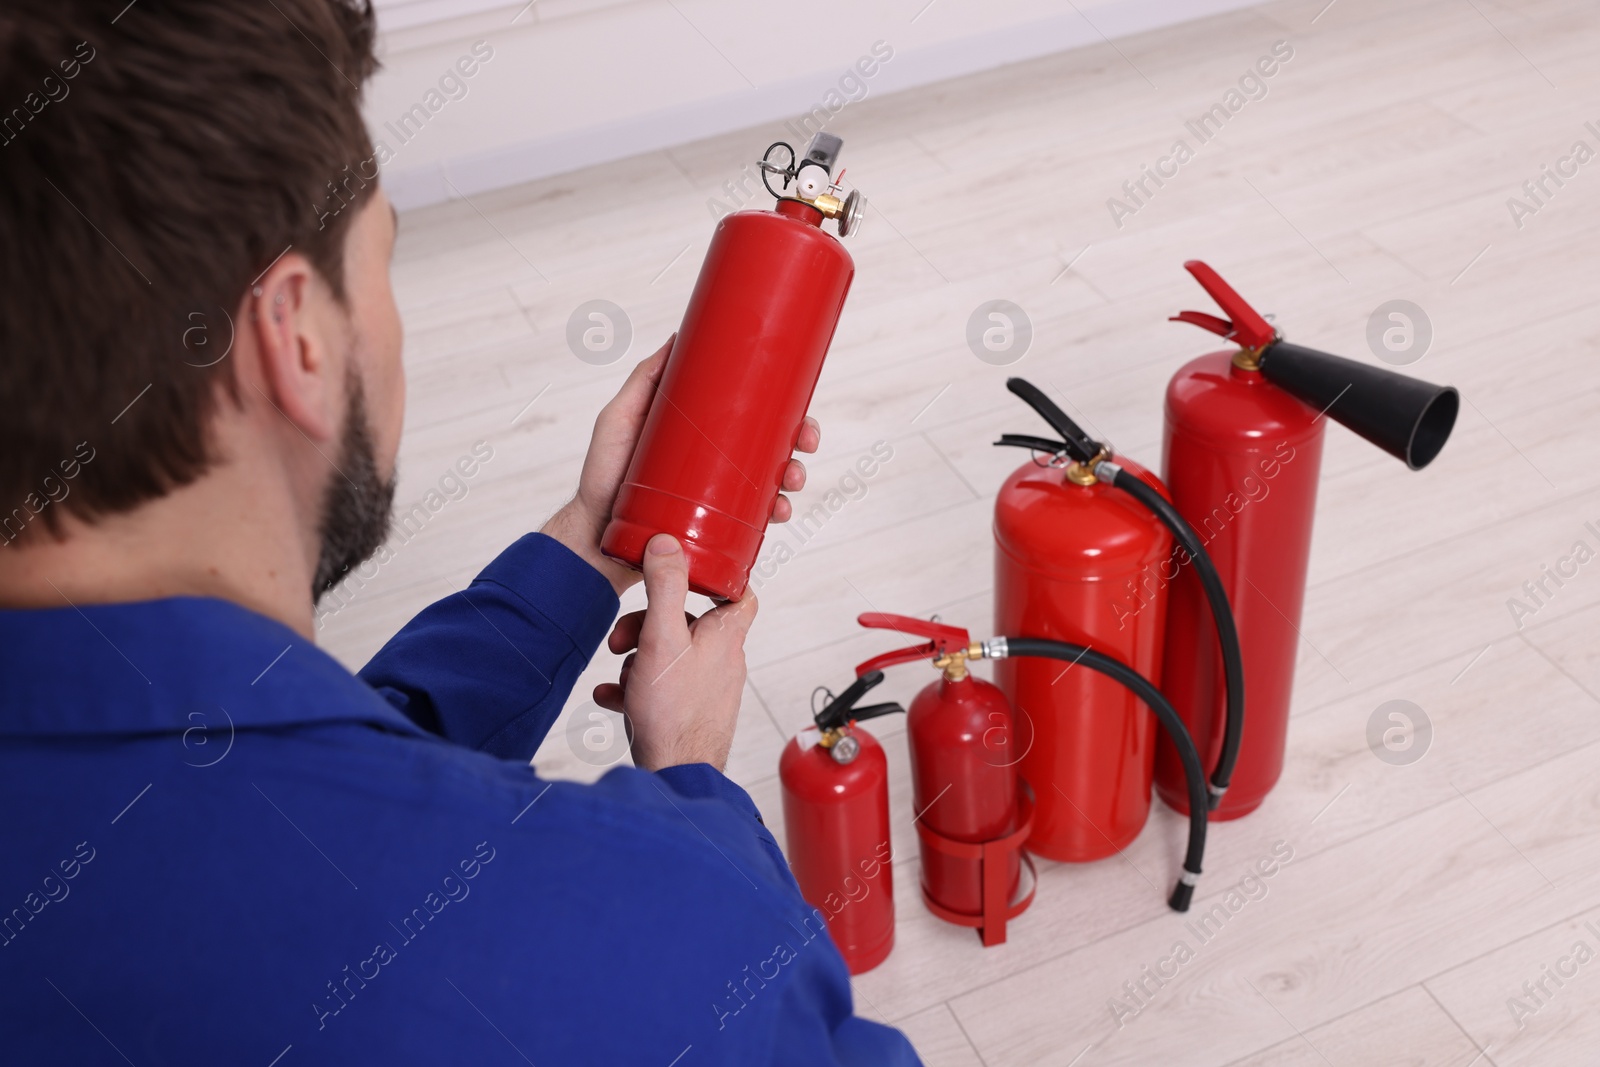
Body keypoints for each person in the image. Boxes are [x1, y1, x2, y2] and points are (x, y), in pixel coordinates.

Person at [0, 2, 921, 1064]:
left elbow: (283, 797)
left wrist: (589, 541)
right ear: (293, 336)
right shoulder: (643, 942)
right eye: (380, 264)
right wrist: (693, 794)